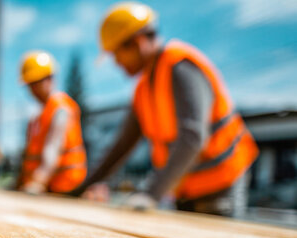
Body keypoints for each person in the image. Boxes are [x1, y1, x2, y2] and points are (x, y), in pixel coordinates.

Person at [68, 2, 258, 217]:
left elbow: (193, 137)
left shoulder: (180, 66)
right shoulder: (143, 88)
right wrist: (78, 191)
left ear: (137, 42)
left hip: (220, 184)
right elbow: (121, 147)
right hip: (184, 188)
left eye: (117, 54)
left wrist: (151, 195)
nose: (117, 63)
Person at [17, 51, 87, 195]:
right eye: (30, 84)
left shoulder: (61, 108)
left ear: (50, 79)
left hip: (66, 188)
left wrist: (38, 182)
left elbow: (53, 149)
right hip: (47, 189)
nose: (33, 90)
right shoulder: (37, 118)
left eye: (37, 83)